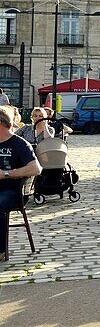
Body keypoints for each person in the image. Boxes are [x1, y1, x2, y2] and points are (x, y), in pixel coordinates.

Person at [0, 106, 42, 261]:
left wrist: (6, 174)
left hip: (13, 192)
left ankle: (0, 250)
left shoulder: (19, 144)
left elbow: (36, 169)